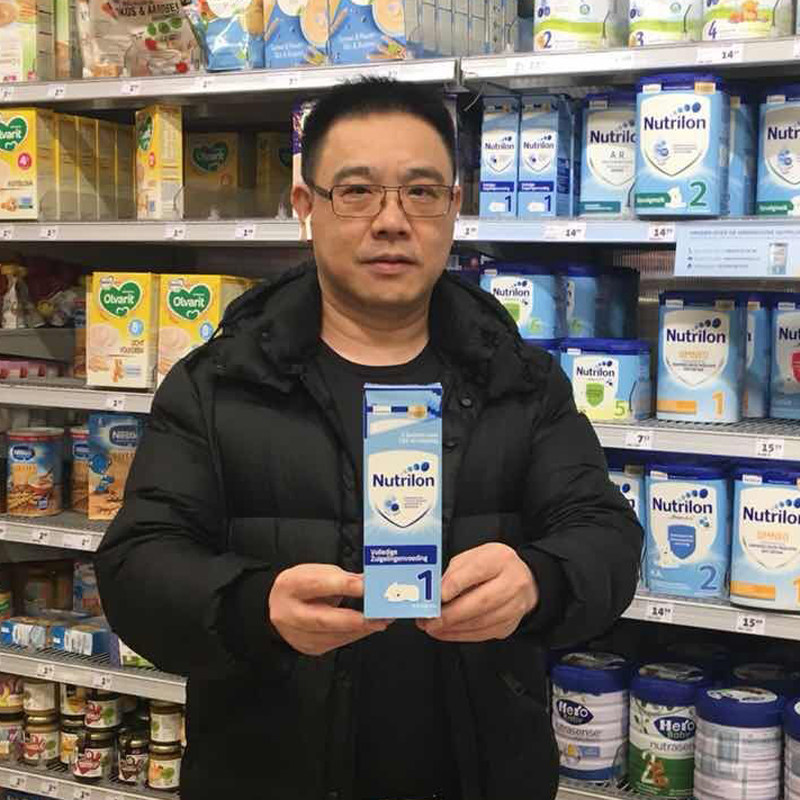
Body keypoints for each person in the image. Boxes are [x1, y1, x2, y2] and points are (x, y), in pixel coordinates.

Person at [95, 77, 643, 800]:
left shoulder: (521, 381)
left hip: (480, 773)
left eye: (421, 192)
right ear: (306, 206)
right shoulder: (218, 383)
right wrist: (252, 606)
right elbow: (136, 565)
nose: (391, 221)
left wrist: (539, 582)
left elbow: (606, 535)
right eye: (357, 192)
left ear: (454, 206)